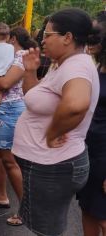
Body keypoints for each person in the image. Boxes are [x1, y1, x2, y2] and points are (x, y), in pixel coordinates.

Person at [12, 8, 100, 236]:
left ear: (67, 37)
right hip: (45, 165)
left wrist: (53, 132)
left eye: (48, 34)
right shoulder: (62, 64)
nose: (42, 39)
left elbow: (76, 105)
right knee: (43, 228)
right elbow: (35, 100)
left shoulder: (77, 65)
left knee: (45, 231)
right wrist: (30, 72)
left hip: (52, 166)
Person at [0, 26, 37, 226]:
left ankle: (26, 210)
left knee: (9, 160)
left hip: (8, 111)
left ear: (12, 39)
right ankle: (1, 194)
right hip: (0, 111)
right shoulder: (8, 55)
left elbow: (4, 84)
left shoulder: (21, 56)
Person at [77, 23, 106, 236]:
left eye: (95, 42)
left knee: (103, 217)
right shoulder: (97, 68)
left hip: (104, 155)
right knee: (87, 209)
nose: (90, 46)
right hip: (90, 150)